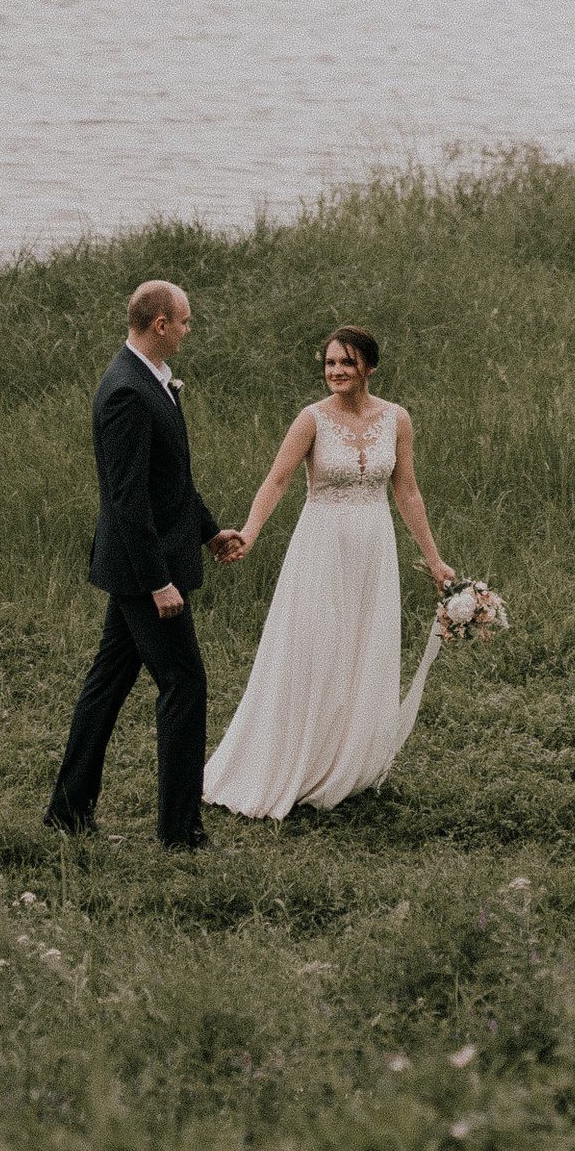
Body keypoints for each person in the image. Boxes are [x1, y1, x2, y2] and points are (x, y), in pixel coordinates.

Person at [203, 327, 456, 822]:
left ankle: (346, 764)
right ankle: (291, 762)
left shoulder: (397, 419)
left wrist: (435, 559)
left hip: (374, 548)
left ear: (370, 367)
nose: (336, 370)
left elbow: (407, 492)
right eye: (329, 363)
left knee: (363, 648)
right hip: (322, 545)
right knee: (315, 648)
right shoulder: (311, 419)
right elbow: (276, 479)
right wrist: (250, 534)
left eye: (347, 362)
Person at [47, 278, 244, 851]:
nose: (188, 329)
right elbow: (126, 499)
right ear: (160, 325)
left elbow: (170, 482)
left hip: (141, 564)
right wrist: (159, 580)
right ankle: (180, 836)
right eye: (184, 321)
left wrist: (209, 533)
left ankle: (66, 813)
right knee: (185, 686)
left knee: (106, 686)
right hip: (142, 572)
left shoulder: (152, 380)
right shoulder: (127, 392)